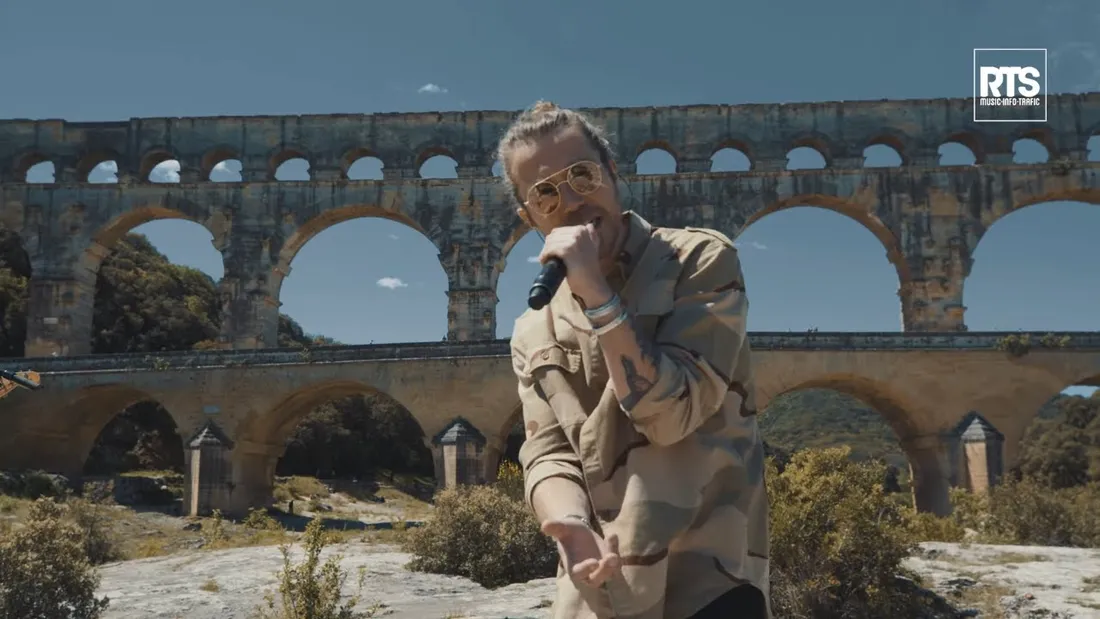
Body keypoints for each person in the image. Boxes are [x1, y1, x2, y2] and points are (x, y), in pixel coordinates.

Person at [499, 100, 771, 619]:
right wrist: (568, 523)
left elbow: (672, 415)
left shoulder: (699, 261)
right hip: (597, 590)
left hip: (711, 585)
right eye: (546, 193)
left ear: (612, 171)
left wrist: (596, 294)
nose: (572, 200)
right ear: (529, 216)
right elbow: (547, 452)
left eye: (582, 174)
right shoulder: (532, 328)